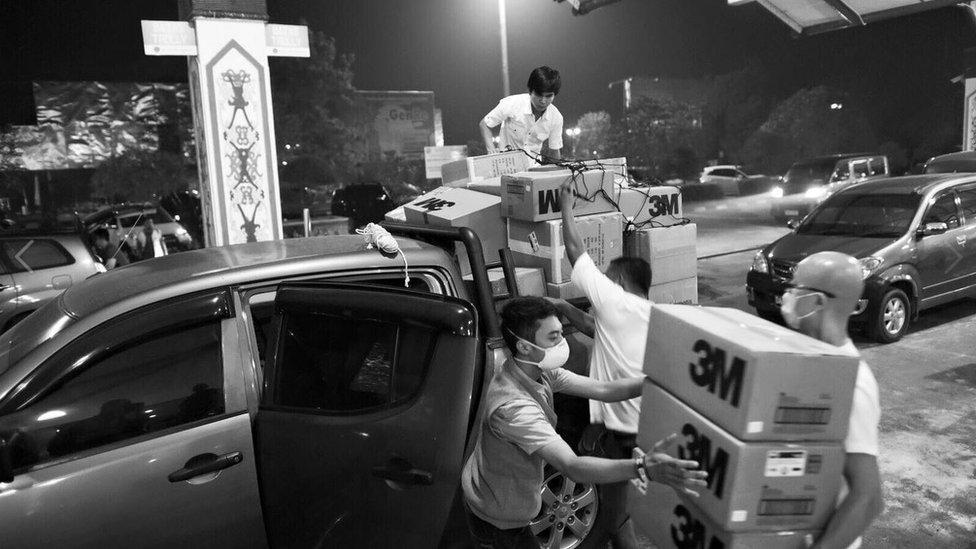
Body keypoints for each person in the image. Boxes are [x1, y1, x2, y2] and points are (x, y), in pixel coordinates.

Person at [460, 297, 706, 549]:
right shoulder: (514, 409)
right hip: (498, 521)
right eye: (553, 337)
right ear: (524, 347)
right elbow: (572, 466)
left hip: (496, 496)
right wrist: (643, 467)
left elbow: (605, 389)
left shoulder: (533, 370)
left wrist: (661, 380)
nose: (562, 342)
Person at [543, 179, 653, 549]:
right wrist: (562, 308)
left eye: (608, 276)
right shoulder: (646, 313)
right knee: (616, 512)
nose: (601, 279)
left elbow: (575, 250)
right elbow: (594, 327)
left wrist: (566, 207)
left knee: (610, 516)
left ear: (620, 280)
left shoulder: (614, 298)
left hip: (620, 429)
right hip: (639, 426)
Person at [779, 251, 883, 549]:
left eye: (795, 291)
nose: (786, 297)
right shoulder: (808, 359)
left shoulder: (852, 383)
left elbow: (868, 497)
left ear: (819, 302)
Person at [479, 66, 564, 160]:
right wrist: (491, 150)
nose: (543, 101)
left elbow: (554, 150)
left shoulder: (556, 117)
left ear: (554, 95)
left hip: (534, 168)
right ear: (530, 91)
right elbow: (485, 124)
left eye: (548, 96)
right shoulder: (511, 103)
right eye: (539, 95)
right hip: (507, 165)